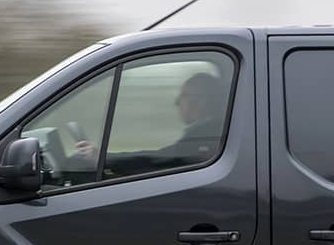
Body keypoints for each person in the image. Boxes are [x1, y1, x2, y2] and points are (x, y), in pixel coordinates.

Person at [72, 72, 226, 178]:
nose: (177, 102)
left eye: (184, 95)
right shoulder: (209, 132)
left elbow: (156, 160)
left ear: (202, 100)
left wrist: (104, 158)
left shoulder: (204, 137)